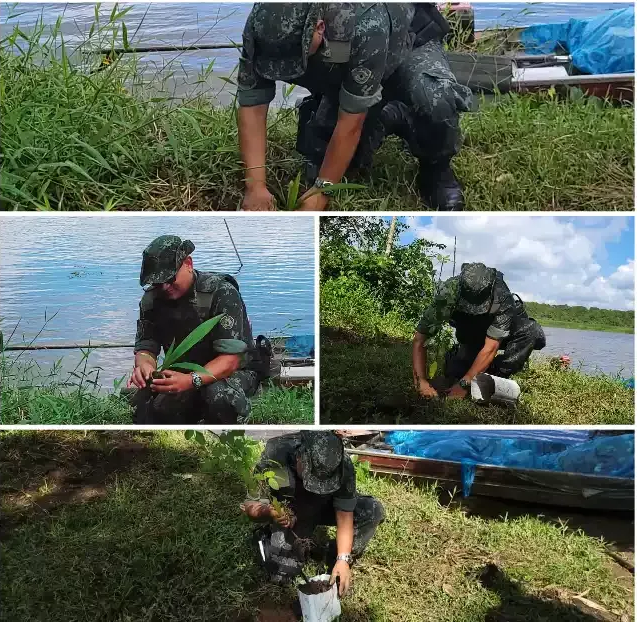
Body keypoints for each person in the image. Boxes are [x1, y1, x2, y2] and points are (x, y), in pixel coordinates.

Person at [237, 3, 472, 212]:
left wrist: (321, 192)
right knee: (335, 165)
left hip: (409, 45)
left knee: (434, 97)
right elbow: (252, 104)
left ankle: (436, 168)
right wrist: (255, 185)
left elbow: (350, 122)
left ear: (319, 27)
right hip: (353, 67)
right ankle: (387, 115)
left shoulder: (364, 19)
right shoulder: (262, 22)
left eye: (294, 59)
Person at [128, 235, 262, 424]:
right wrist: (145, 366)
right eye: (158, 283)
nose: (165, 287)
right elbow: (146, 347)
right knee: (147, 412)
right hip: (182, 371)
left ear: (188, 263)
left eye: (170, 278)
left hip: (232, 372)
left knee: (217, 395)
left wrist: (191, 380)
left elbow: (230, 360)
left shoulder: (221, 292)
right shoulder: (151, 301)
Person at [241, 431, 385, 597]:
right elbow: (251, 507)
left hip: (325, 506)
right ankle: (274, 537)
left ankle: (332, 552)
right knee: (281, 574)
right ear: (300, 457)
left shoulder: (343, 466)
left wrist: (343, 558)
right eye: (314, 479)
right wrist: (271, 512)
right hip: (293, 512)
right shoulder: (276, 455)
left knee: (373, 510)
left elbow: (345, 513)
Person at [413, 262, 546, 400]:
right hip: (470, 334)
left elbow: (491, 346)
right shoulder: (448, 292)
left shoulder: (502, 295)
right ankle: (461, 357)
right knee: (455, 371)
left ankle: (497, 373)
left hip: (498, 333)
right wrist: (421, 381)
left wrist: (464, 384)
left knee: (532, 331)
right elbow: (420, 339)